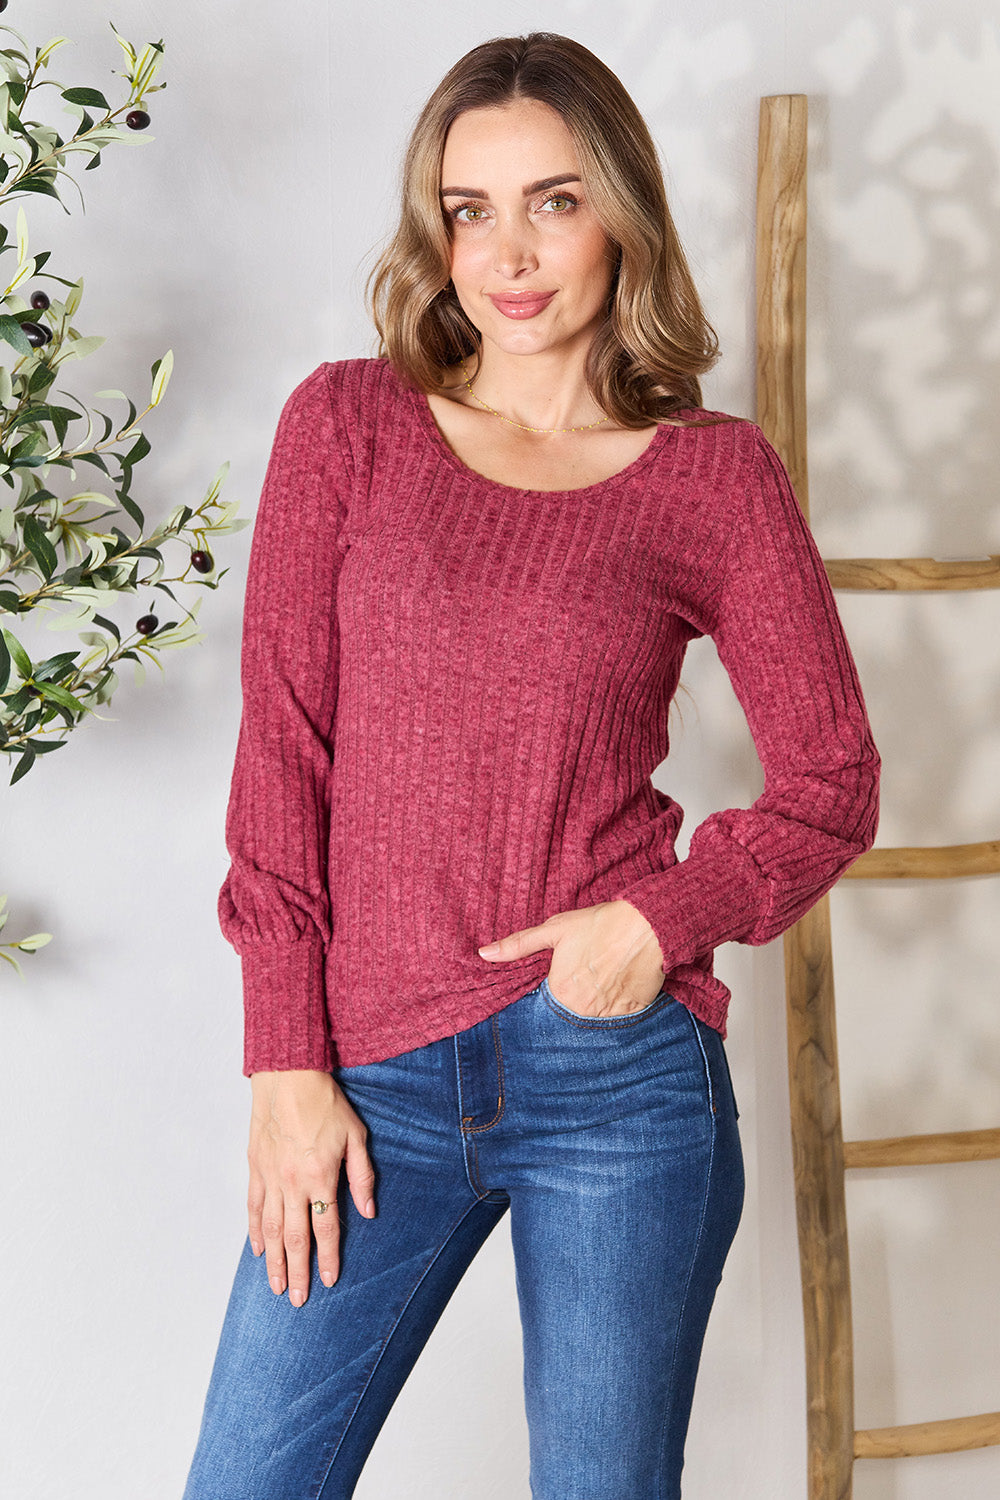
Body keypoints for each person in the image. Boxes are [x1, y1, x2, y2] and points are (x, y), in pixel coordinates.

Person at [183, 31, 880, 1500]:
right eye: (469, 209)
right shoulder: (348, 426)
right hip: (365, 1083)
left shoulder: (715, 477)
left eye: (554, 202)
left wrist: (659, 923)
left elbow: (833, 781)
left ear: (621, 211)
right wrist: (283, 1066)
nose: (509, 253)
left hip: (615, 1078)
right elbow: (281, 762)